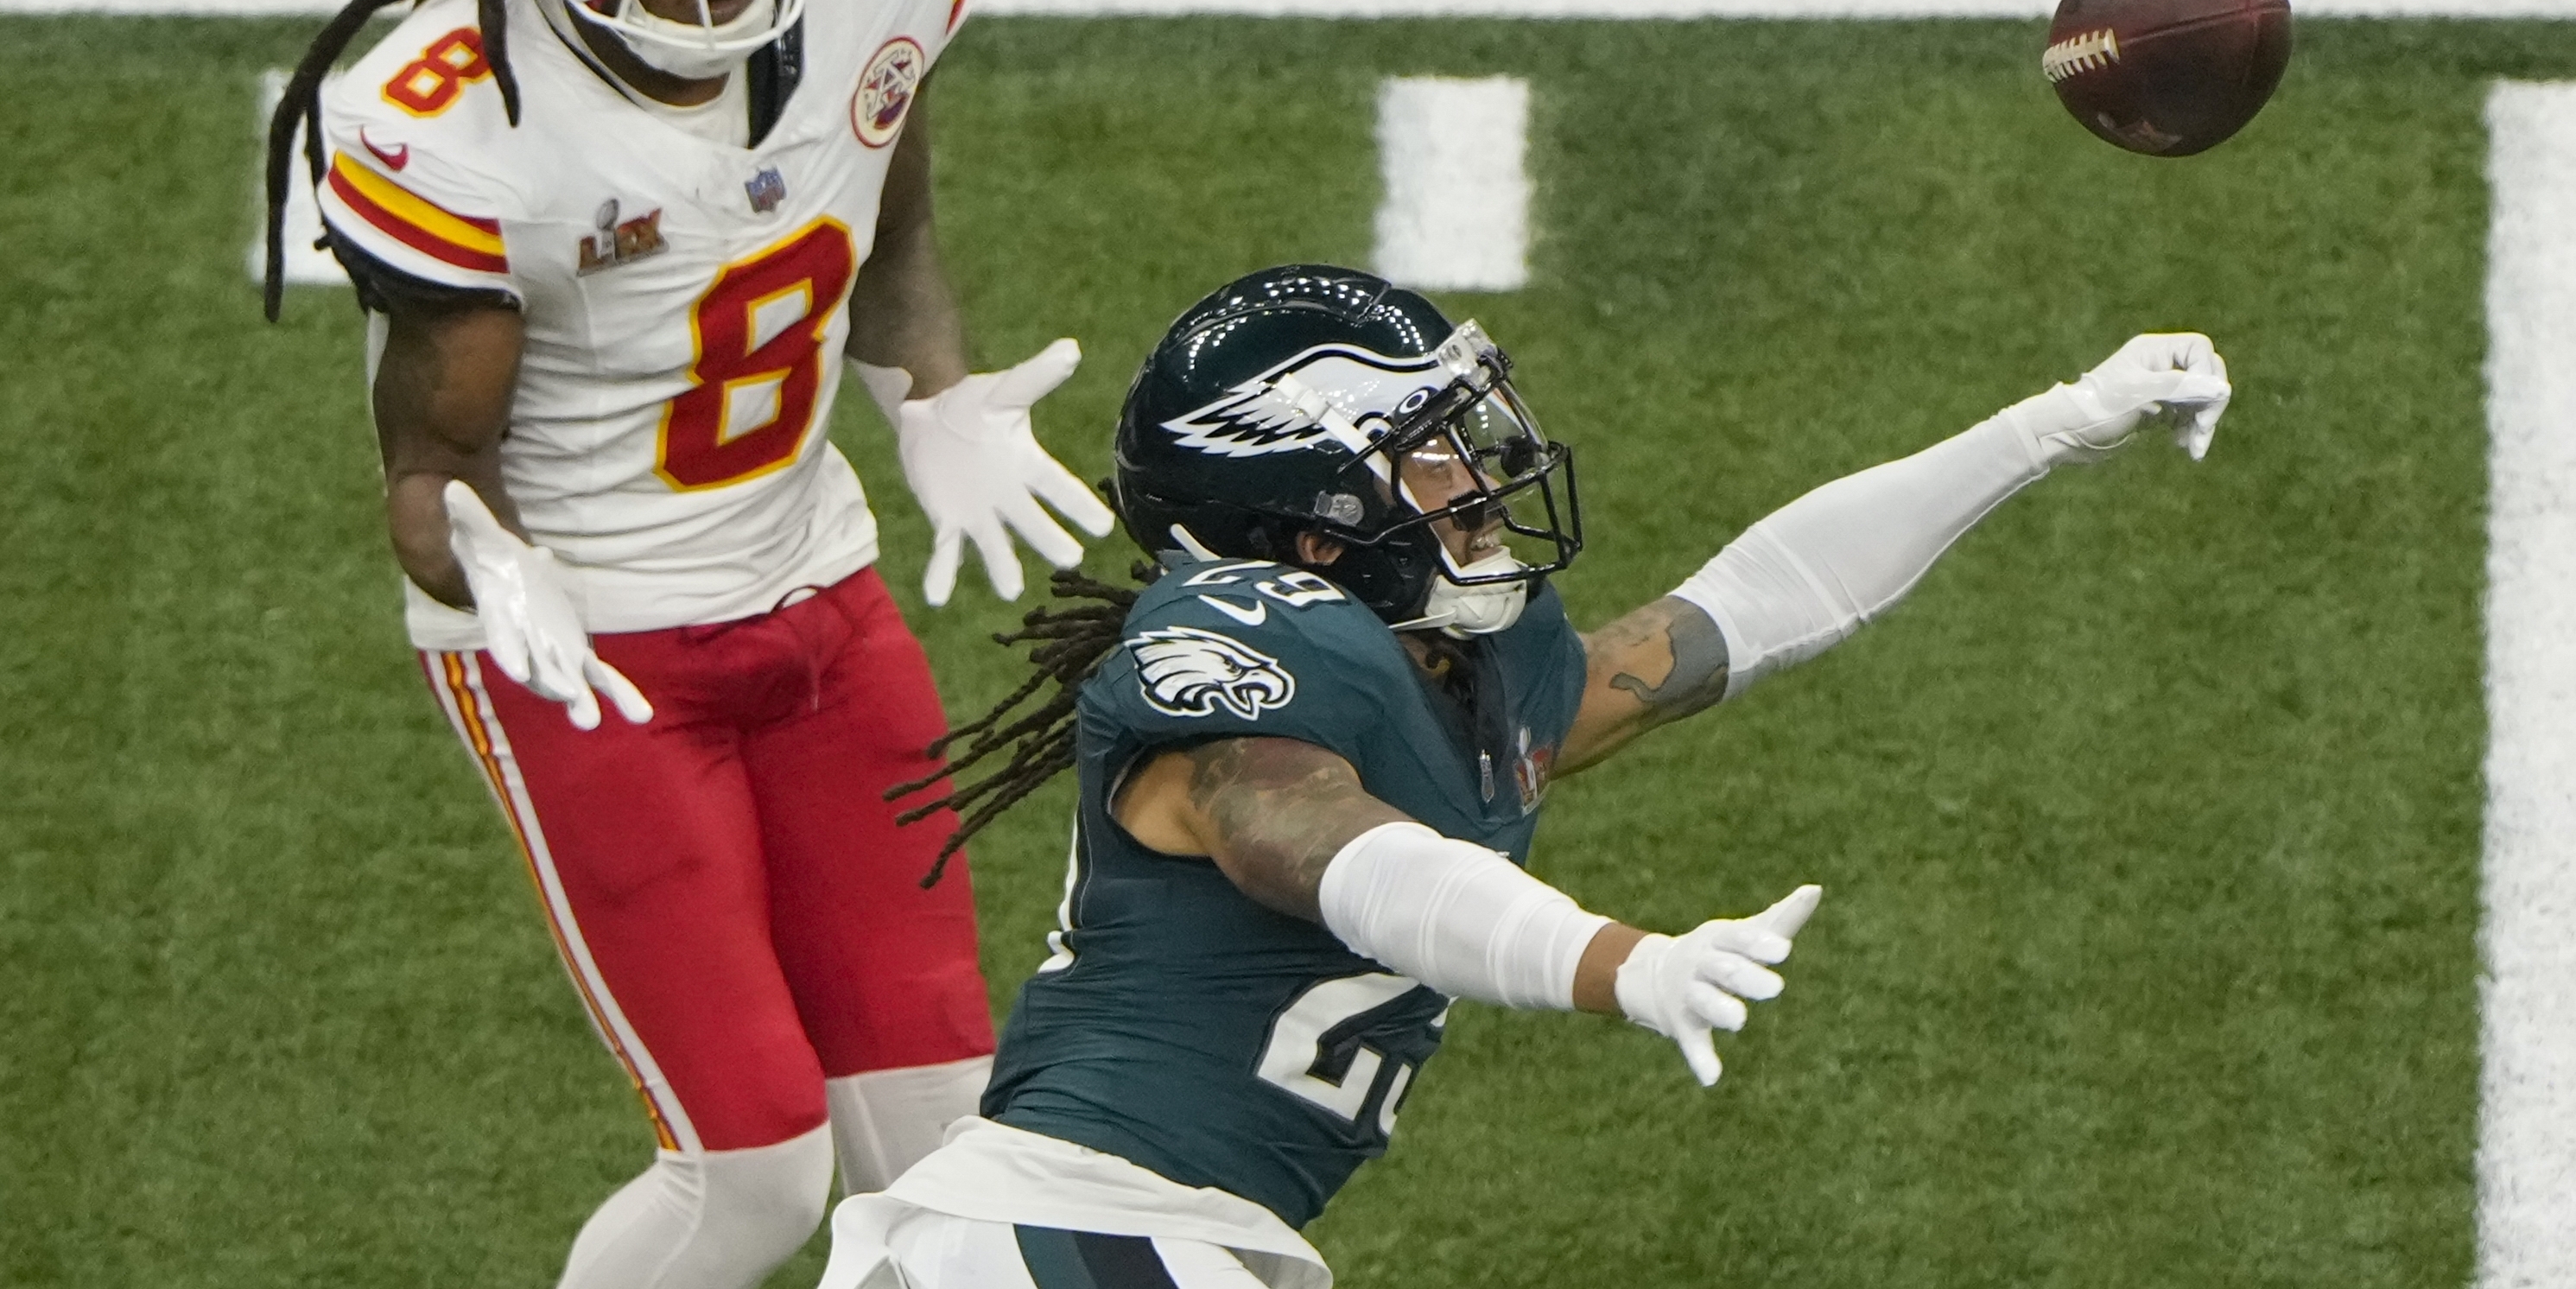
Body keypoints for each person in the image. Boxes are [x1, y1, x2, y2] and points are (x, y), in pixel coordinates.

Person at [818, 263, 2232, 1289]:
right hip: (1067, 1228)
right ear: (1313, 526)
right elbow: (1314, 844)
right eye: (1424, 453)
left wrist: (2048, 424)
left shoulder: (1458, 666)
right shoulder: (1237, 643)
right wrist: (1617, 962)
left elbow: (1749, 604)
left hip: (1165, 1237)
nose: (1478, 475)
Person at [261, 0, 1115, 1289]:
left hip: (821, 594)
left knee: (952, 1144)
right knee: (751, 1175)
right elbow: (431, 470)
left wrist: (923, 390)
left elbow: (886, 190)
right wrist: (486, 562)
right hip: (594, 649)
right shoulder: (456, 114)